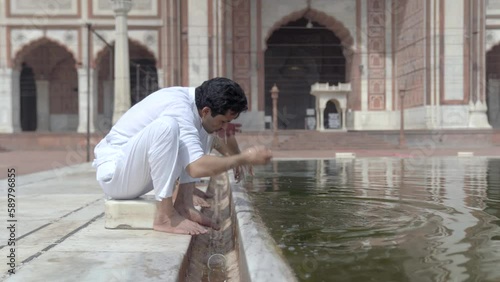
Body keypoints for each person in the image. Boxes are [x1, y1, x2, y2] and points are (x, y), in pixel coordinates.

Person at [92, 77, 272, 235]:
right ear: (207, 111)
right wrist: (242, 158)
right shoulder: (179, 108)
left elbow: (211, 136)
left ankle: (185, 205)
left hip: (134, 173)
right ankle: (165, 217)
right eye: (223, 121)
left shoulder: (196, 107)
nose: (224, 127)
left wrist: (234, 154)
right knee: (167, 127)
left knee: (206, 129)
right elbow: (196, 167)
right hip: (116, 177)